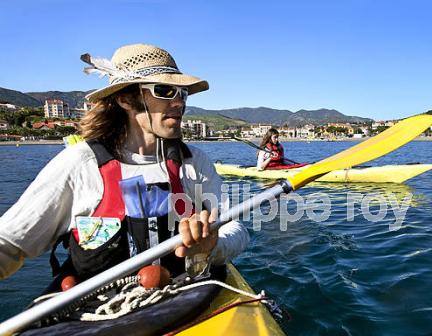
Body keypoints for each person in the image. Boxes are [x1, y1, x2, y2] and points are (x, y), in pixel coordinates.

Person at [0, 43, 249, 285]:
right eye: (164, 91)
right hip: (102, 315)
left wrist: (213, 245)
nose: (179, 103)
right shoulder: (80, 164)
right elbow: (9, 244)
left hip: (188, 301)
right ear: (125, 100)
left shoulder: (194, 162)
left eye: (182, 93)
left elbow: (237, 230)